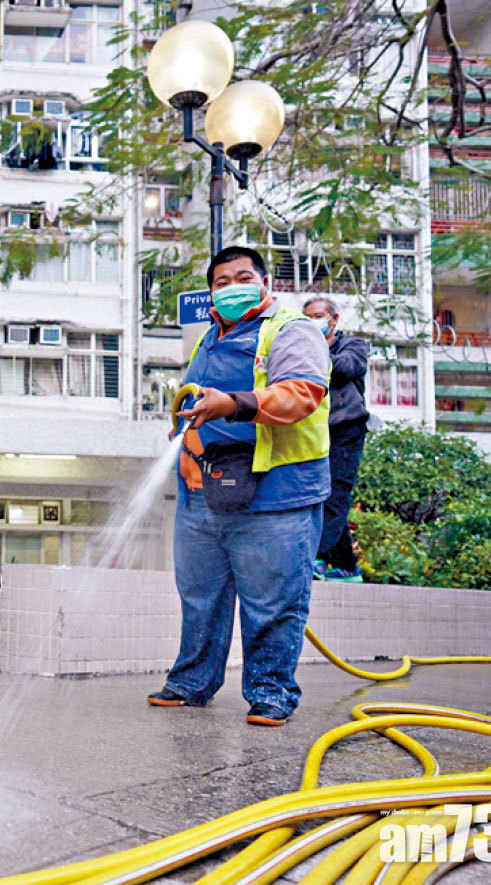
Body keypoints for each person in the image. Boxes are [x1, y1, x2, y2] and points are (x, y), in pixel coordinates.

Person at [149, 246, 331, 726]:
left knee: (272, 601)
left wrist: (232, 404)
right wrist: (186, 442)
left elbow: (301, 395)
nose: (232, 286)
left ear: (265, 283)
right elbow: (189, 401)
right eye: (222, 281)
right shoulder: (209, 337)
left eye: (243, 276)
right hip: (206, 488)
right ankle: (191, 682)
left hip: (277, 493)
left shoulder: (292, 330)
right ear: (211, 291)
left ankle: (271, 693)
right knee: (199, 595)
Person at [303, 296, 369, 583]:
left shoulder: (354, 345)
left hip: (346, 430)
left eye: (319, 315)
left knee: (335, 493)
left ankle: (317, 557)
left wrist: (313, 357)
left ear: (334, 319)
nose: (314, 321)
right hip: (314, 431)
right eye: (308, 317)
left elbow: (346, 366)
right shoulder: (304, 348)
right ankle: (346, 564)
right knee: (319, 493)